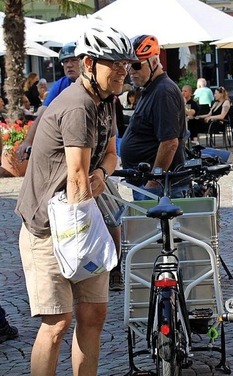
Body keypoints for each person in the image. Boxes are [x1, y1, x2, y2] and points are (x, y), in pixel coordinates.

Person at [15, 24, 136, 375]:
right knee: (56, 324)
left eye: (125, 64)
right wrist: (87, 235)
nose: (122, 71)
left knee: (93, 314)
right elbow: (77, 177)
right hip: (48, 229)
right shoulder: (78, 106)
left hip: (81, 220)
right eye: (113, 63)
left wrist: (103, 174)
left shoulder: (106, 101)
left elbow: (112, 156)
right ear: (88, 63)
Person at [120, 34, 187, 201]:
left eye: (136, 65)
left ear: (155, 62)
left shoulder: (163, 91)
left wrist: (153, 181)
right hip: (148, 183)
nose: (130, 72)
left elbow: (170, 143)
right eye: (128, 66)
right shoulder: (151, 89)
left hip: (160, 187)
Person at [16, 41, 81, 160]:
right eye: (65, 61)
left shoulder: (93, 84)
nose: (69, 65)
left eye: (74, 60)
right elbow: (42, 113)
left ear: (85, 62)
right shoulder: (61, 84)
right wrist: (28, 141)